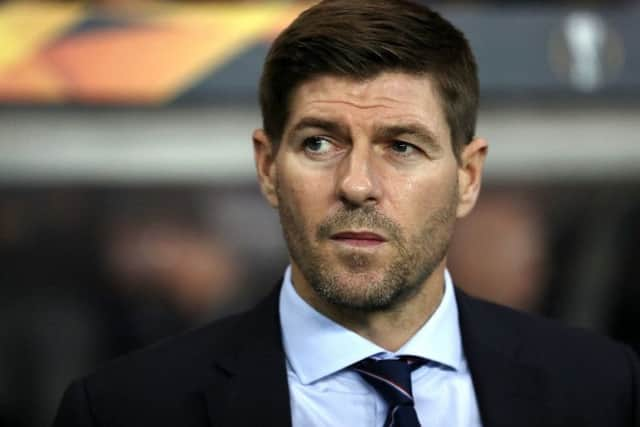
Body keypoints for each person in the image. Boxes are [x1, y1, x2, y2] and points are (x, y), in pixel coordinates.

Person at [53, 1, 639, 426]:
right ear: (266, 167)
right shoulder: (123, 409)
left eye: (402, 146)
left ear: (467, 178)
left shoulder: (604, 390)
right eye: (318, 143)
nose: (357, 185)